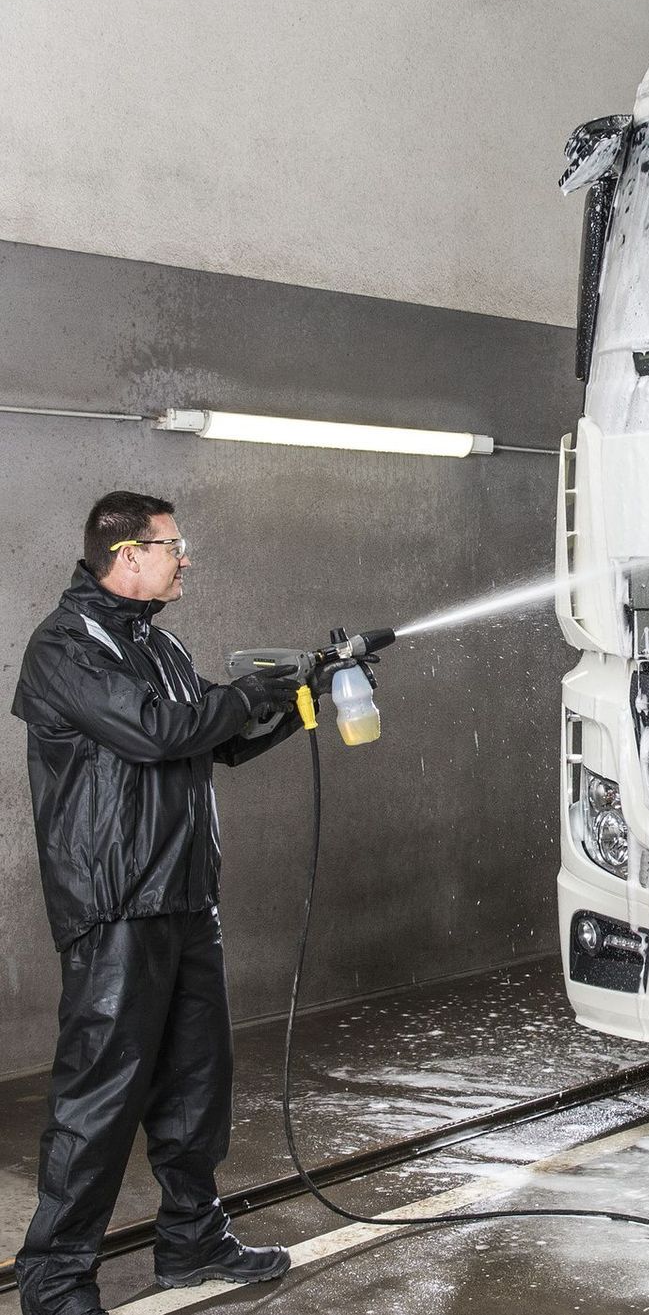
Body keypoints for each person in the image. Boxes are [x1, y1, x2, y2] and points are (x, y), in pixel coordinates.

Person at [10, 492, 305, 1315]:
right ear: (128, 553)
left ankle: (192, 1240)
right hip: (115, 907)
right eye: (175, 546)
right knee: (99, 1097)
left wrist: (299, 693)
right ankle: (56, 1281)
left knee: (195, 1082)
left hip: (182, 898)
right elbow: (153, 731)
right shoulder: (65, 647)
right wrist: (247, 694)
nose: (186, 559)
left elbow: (218, 734)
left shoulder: (160, 647)